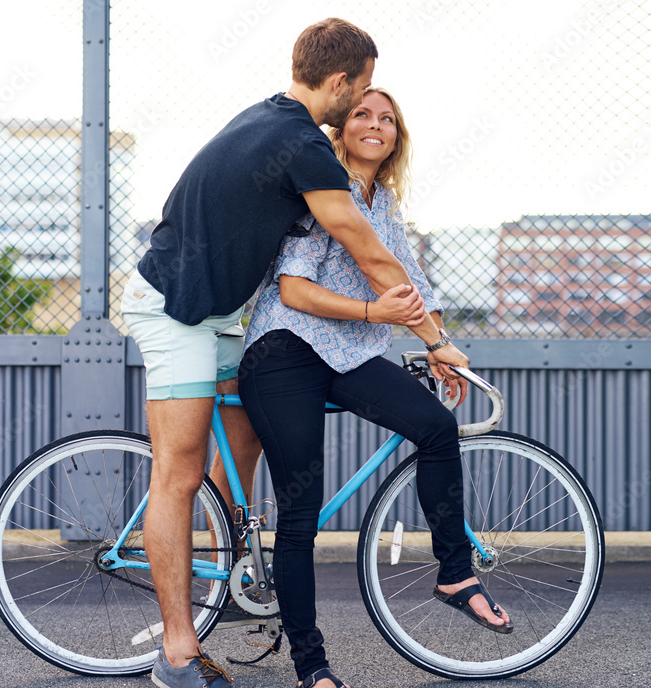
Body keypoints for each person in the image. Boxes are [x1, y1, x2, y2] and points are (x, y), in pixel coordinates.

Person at [120, 19, 465, 688]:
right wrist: (433, 339)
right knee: (179, 473)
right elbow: (363, 248)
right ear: (339, 83)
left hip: (221, 312)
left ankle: (230, 572)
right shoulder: (303, 144)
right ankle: (178, 651)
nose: (362, 102)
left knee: (243, 439)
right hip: (173, 309)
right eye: (359, 89)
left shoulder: (269, 120)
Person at [238, 88, 512, 688]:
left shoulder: (382, 202)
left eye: (388, 119)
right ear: (341, 127)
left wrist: (438, 344)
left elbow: (409, 283)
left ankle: (455, 574)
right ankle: (312, 667)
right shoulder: (320, 186)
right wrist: (374, 314)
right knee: (300, 515)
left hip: (348, 352)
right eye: (362, 112)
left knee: (437, 426)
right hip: (285, 349)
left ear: (396, 139)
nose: (375, 124)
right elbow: (294, 293)